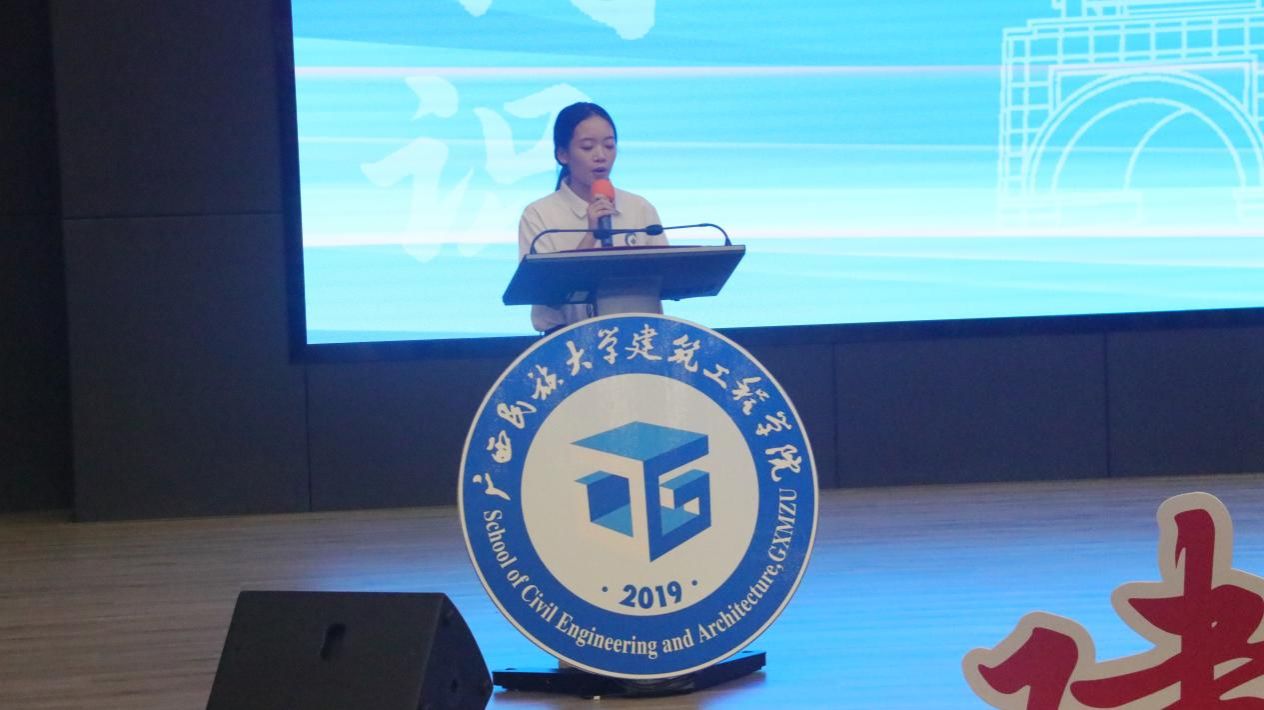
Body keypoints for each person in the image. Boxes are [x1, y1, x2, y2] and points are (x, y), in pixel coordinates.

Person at [517, 102, 667, 334]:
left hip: (639, 337)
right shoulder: (539, 214)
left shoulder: (639, 208)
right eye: (587, 147)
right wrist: (590, 235)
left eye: (609, 145)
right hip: (566, 340)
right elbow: (545, 293)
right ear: (562, 154)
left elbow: (667, 277)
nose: (601, 156)